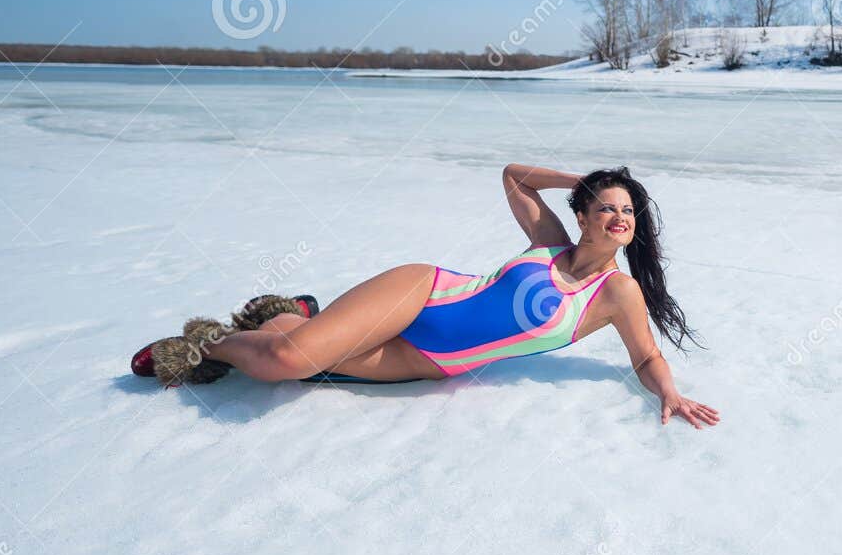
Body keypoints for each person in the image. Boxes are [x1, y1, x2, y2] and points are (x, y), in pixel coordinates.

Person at [136, 165, 720, 429]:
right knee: (285, 358)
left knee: (293, 364)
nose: (619, 215)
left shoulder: (616, 292)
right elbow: (513, 176)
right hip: (422, 295)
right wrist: (585, 180)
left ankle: (295, 313)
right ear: (584, 216)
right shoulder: (550, 243)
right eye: (607, 206)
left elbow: (645, 357)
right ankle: (203, 345)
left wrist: (670, 393)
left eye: (627, 209)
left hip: (430, 362)